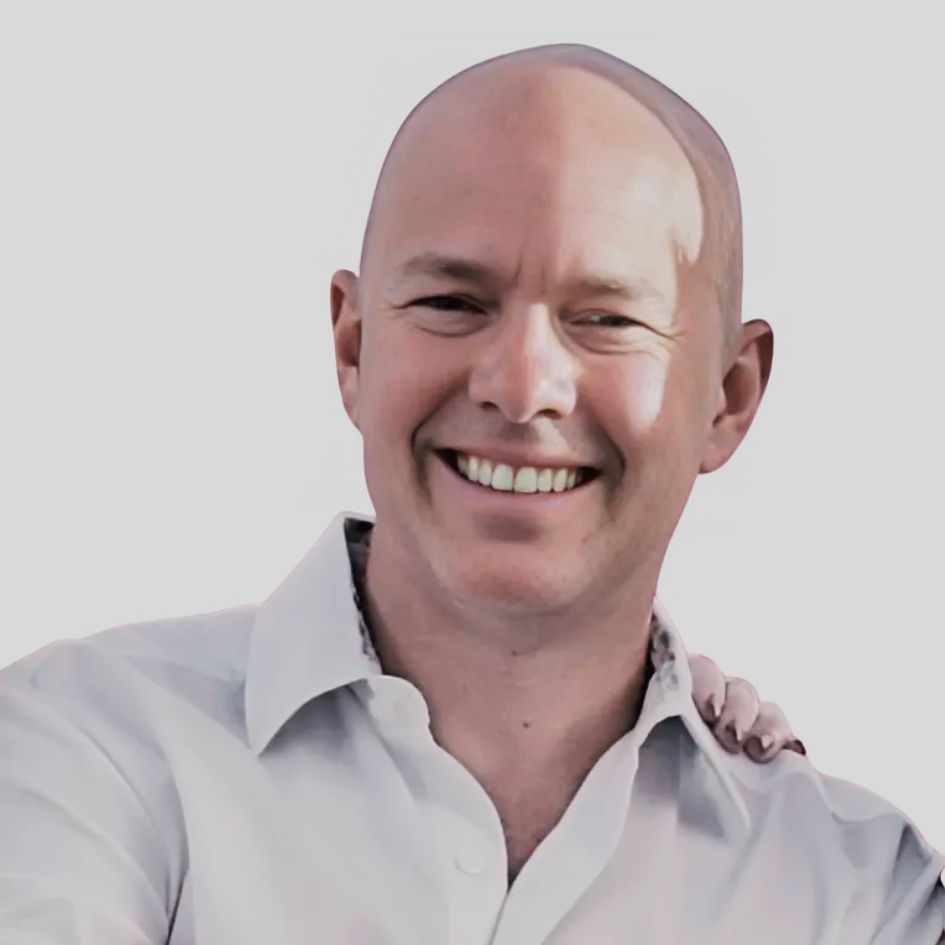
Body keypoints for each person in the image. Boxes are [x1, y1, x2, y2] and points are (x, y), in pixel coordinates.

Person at [0, 41, 940, 945]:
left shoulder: (859, 892)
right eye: (452, 303)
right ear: (353, 348)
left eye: (606, 318)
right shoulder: (85, 745)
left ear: (727, 397)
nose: (520, 386)